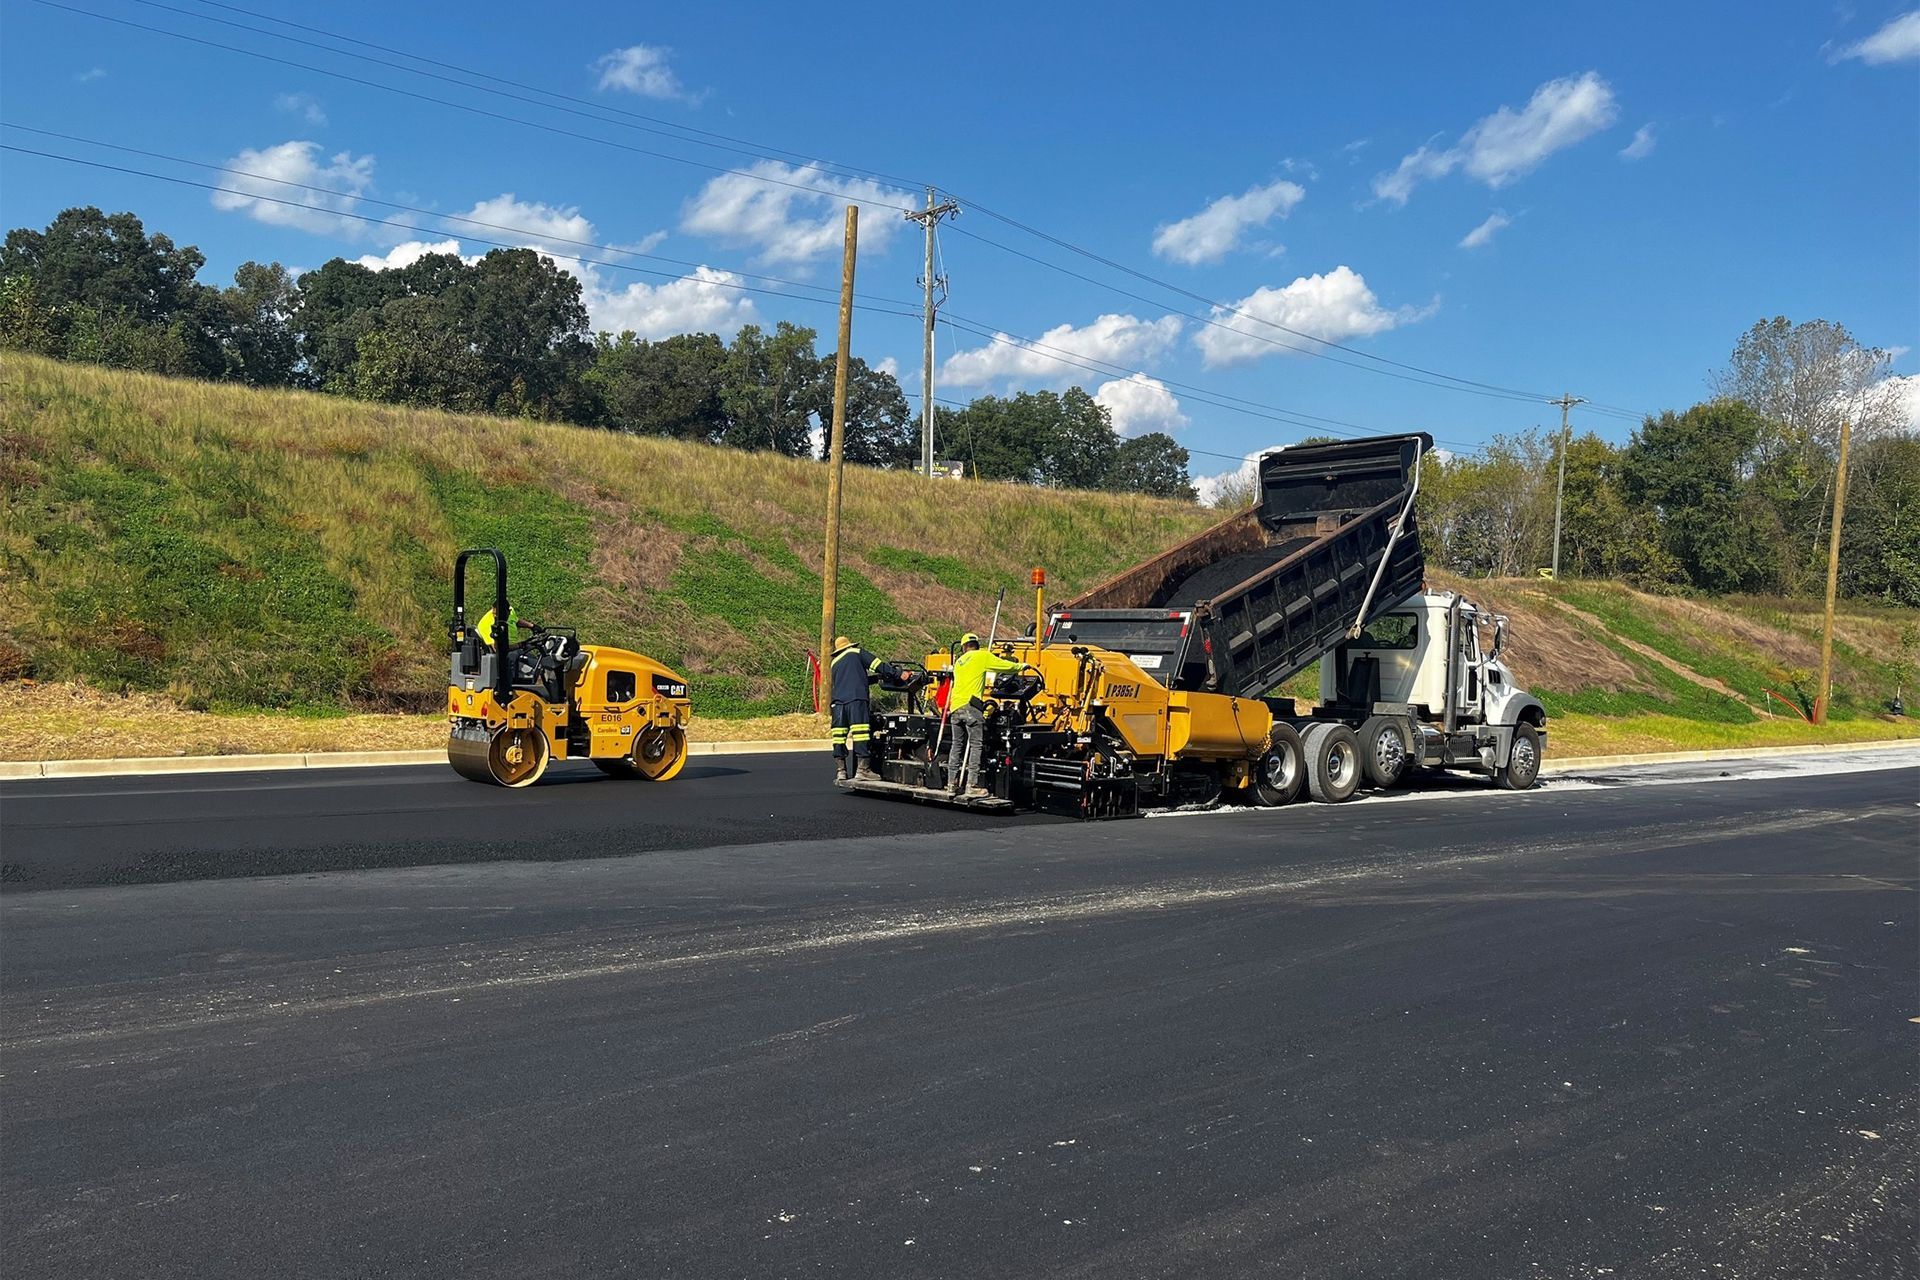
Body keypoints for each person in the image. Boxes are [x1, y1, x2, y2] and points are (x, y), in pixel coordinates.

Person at [945, 632, 1020, 798]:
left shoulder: (958, 662)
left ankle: (951, 784)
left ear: (964, 647)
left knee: (957, 745)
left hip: (955, 708)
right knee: (976, 745)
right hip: (971, 708)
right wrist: (1021, 666)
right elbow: (1005, 666)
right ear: (976, 645)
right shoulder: (982, 656)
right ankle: (972, 785)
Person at [829, 635, 888, 783]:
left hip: (838, 704)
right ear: (850, 645)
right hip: (856, 699)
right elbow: (878, 665)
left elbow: (854, 679)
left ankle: (841, 771)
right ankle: (863, 770)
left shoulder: (834, 663)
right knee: (861, 733)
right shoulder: (856, 653)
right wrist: (897, 673)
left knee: (839, 737)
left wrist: (875, 679)